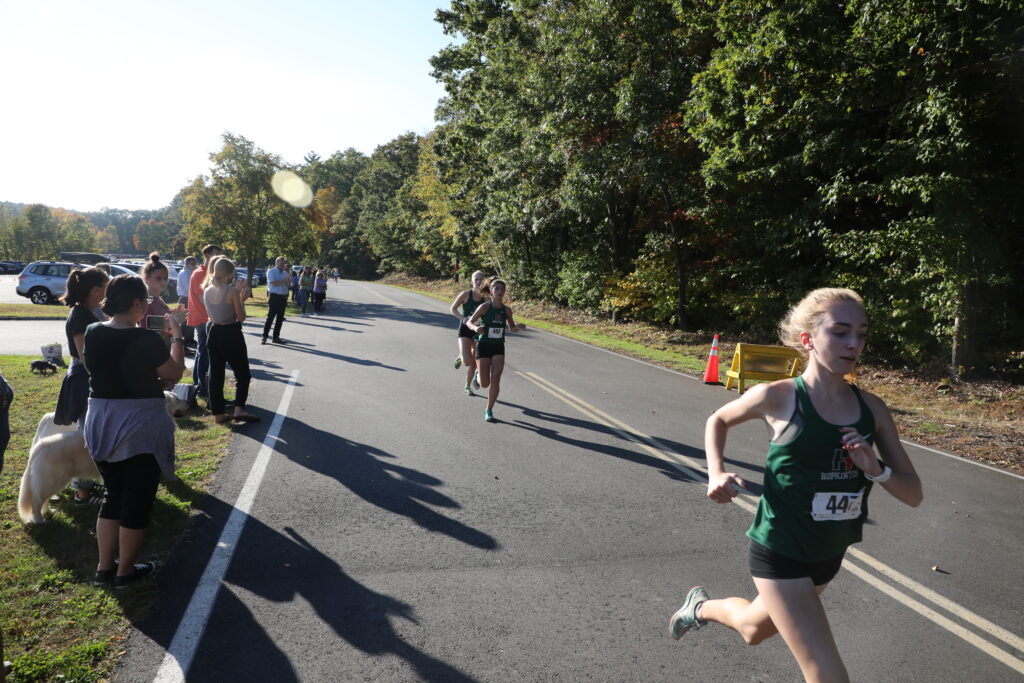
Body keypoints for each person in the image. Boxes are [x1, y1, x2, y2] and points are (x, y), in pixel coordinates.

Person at [668, 288, 923, 683]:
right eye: (840, 332)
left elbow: (913, 495)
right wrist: (716, 472)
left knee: (753, 630)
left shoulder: (871, 408)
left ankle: (698, 609)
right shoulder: (778, 397)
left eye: (861, 333)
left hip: (828, 551)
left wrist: (876, 469)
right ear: (808, 339)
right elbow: (717, 420)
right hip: (780, 550)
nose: (853, 343)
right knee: (827, 675)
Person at [83, 274, 185, 588]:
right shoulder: (147, 339)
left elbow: (94, 369)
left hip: (101, 420)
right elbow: (175, 373)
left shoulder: (93, 331)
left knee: (113, 494)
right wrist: (177, 337)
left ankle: (104, 568)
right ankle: (125, 572)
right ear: (138, 304)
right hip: (138, 424)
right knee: (137, 500)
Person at [54, 266, 109, 504]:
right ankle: (82, 492)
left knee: (91, 431)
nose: (106, 293)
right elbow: (85, 355)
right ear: (96, 290)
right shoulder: (80, 316)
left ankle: (86, 487)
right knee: (86, 434)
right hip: (84, 379)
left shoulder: (89, 312)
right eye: (105, 288)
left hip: (88, 377)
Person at [203, 256, 259, 424]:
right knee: (243, 374)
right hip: (231, 333)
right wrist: (242, 301)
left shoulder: (206, 290)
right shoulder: (231, 291)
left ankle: (218, 413)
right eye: (232, 274)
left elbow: (213, 314)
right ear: (228, 274)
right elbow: (240, 317)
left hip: (213, 333)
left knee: (216, 375)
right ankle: (239, 408)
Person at [467, 277, 526, 422]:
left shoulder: (507, 310)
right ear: (491, 291)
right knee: (484, 383)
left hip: (498, 347)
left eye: (502, 289)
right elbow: (469, 322)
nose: (499, 291)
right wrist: (476, 328)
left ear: (504, 291)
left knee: (496, 380)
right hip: (484, 345)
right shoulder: (485, 307)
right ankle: (477, 374)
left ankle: (489, 410)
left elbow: (511, 328)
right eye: (496, 288)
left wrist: (518, 327)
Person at [188, 245, 223, 397]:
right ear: (207, 255)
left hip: (207, 316)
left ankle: (198, 383)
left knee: (201, 352)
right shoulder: (199, 273)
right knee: (205, 352)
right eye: (216, 254)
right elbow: (202, 298)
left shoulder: (209, 273)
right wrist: (216, 313)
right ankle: (203, 388)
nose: (218, 258)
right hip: (202, 317)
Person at [449, 270, 487, 395]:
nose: (478, 281)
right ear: (472, 281)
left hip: (478, 331)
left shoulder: (486, 298)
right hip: (465, 329)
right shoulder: (465, 294)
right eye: (476, 279)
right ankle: (460, 356)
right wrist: (463, 318)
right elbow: (453, 308)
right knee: (467, 361)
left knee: (475, 362)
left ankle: (467, 386)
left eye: (481, 279)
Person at [139, 253, 184, 347]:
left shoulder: (158, 299)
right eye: (158, 278)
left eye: (165, 278)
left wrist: (174, 314)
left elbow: (163, 321)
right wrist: (175, 321)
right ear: (147, 278)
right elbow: (147, 332)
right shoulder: (146, 301)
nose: (163, 282)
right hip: (156, 352)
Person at [263, 256, 290, 344]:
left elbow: (289, 285)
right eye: (280, 263)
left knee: (280, 319)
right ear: (276, 263)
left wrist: (287, 279)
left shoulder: (285, 273)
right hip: (274, 296)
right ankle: (264, 337)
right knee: (270, 318)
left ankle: (276, 337)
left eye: (283, 263)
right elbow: (274, 283)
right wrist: (284, 280)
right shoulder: (271, 271)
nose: (282, 265)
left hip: (283, 297)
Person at [176, 256, 197, 347]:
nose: (194, 265)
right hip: (185, 298)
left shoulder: (190, 272)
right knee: (185, 321)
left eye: (195, 263)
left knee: (190, 319)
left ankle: (190, 339)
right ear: (187, 263)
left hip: (188, 298)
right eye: (192, 263)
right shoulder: (185, 273)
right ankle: (186, 340)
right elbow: (189, 288)